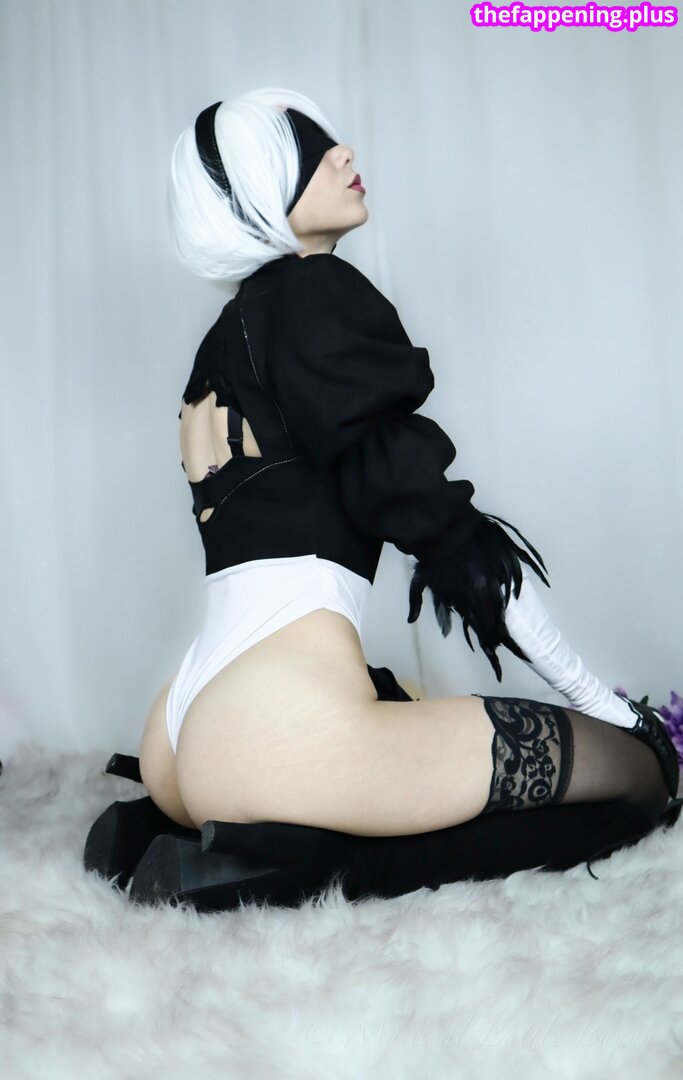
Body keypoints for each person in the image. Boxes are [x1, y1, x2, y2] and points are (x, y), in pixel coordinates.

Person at [85, 88, 681, 911]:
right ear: (258, 192)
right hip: (271, 723)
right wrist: (605, 705)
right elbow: (445, 535)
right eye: (309, 150)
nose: (343, 154)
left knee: (394, 749)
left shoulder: (221, 341)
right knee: (634, 780)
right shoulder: (313, 293)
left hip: (182, 728)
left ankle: (172, 834)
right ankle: (280, 866)